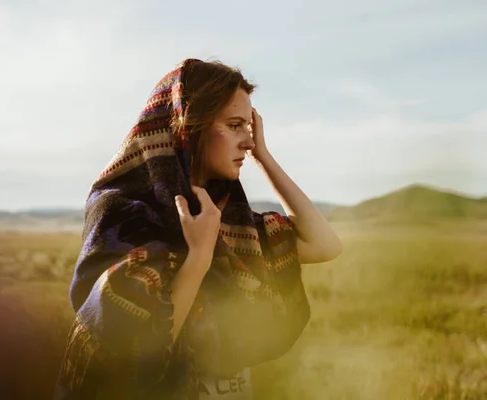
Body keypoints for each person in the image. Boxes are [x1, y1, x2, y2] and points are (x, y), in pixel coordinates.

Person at [53, 58, 342, 400]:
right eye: (234, 125)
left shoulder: (229, 220)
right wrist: (199, 257)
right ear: (188, 128)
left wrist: (263, 156)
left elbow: (324, 245)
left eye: (248, 128)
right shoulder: (122, 214)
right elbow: (129, 359)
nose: (247, 142)